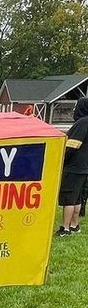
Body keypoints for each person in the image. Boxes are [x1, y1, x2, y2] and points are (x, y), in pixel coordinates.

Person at [56, 97, 88, 237]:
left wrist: (61, 159)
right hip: (84, 167)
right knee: (78, 198)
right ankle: (75, 226)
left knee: (69, 197)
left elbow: (72, 146)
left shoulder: (81, 123)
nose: (75, 110)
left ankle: (65, 228)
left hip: (74, 167)